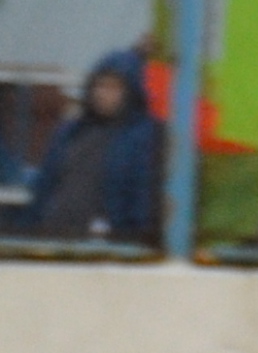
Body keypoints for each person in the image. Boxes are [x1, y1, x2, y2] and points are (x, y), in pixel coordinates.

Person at [18, 51, 165, 241]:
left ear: (131, 91)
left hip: (107, 247)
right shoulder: (70, 132)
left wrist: (133, 242)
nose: (103, 94)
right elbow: (44, 187)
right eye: (100, 85)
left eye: (114, 88)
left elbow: (142, 198)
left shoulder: (144, 137)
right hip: (54, 239)